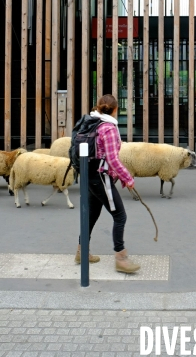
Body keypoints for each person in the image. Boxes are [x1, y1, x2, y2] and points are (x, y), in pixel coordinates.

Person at [74, 94, 140, 273]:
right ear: (115, 109)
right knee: (120, 216)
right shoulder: (109, 128)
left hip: (89, 175)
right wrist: (128, 178)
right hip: (101, 177)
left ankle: (82, 252)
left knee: (92, 215)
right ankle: (121, 259)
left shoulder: (93, 122)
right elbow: (112, 159)